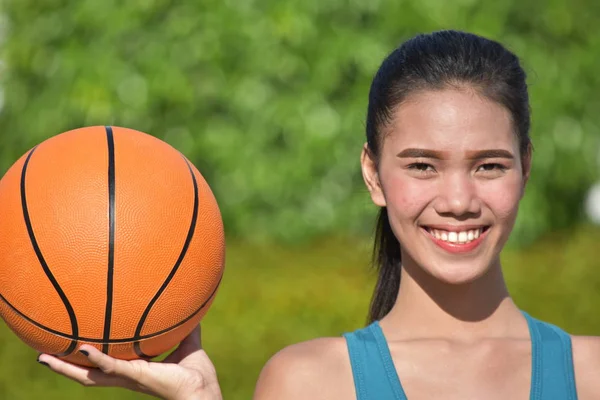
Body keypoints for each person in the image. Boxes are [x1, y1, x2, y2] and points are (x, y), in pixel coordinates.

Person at [37, 30, 600, 399]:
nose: (457, 199)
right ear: (373, 174)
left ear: (525, 167)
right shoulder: (307, 383)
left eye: (489, 166)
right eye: (423, 166)